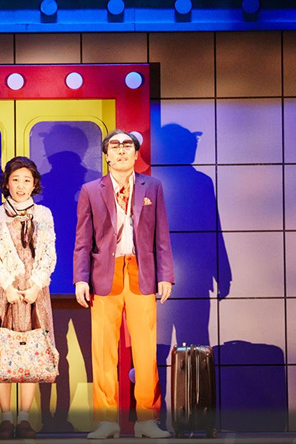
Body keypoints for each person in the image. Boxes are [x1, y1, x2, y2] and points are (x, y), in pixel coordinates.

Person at [73, 130, 174, 439]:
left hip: (141, 272)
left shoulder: (152, 186)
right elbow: (82, 240)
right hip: (105, 274)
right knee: (103, 351)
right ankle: (107, 421)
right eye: (114, 146)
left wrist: (165, 275)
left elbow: (161, 234)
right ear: (106, 155)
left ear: (135, 153)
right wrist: (80, 278)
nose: (121, 151)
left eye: (127, 146)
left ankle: (147, 419)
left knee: (145, 350)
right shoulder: (91, 189)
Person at [0, 156, 57, 440]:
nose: (21, 186)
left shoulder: (44, 214)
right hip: (5, 291)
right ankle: (5, 418)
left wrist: (36, 285)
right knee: (1, 350)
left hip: (36, 291)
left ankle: (24, 418)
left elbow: (48, 253)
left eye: (27, 180)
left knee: (32, 349)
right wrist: (8, 286)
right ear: (6, 183)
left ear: (34, 184)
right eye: (15, 180)